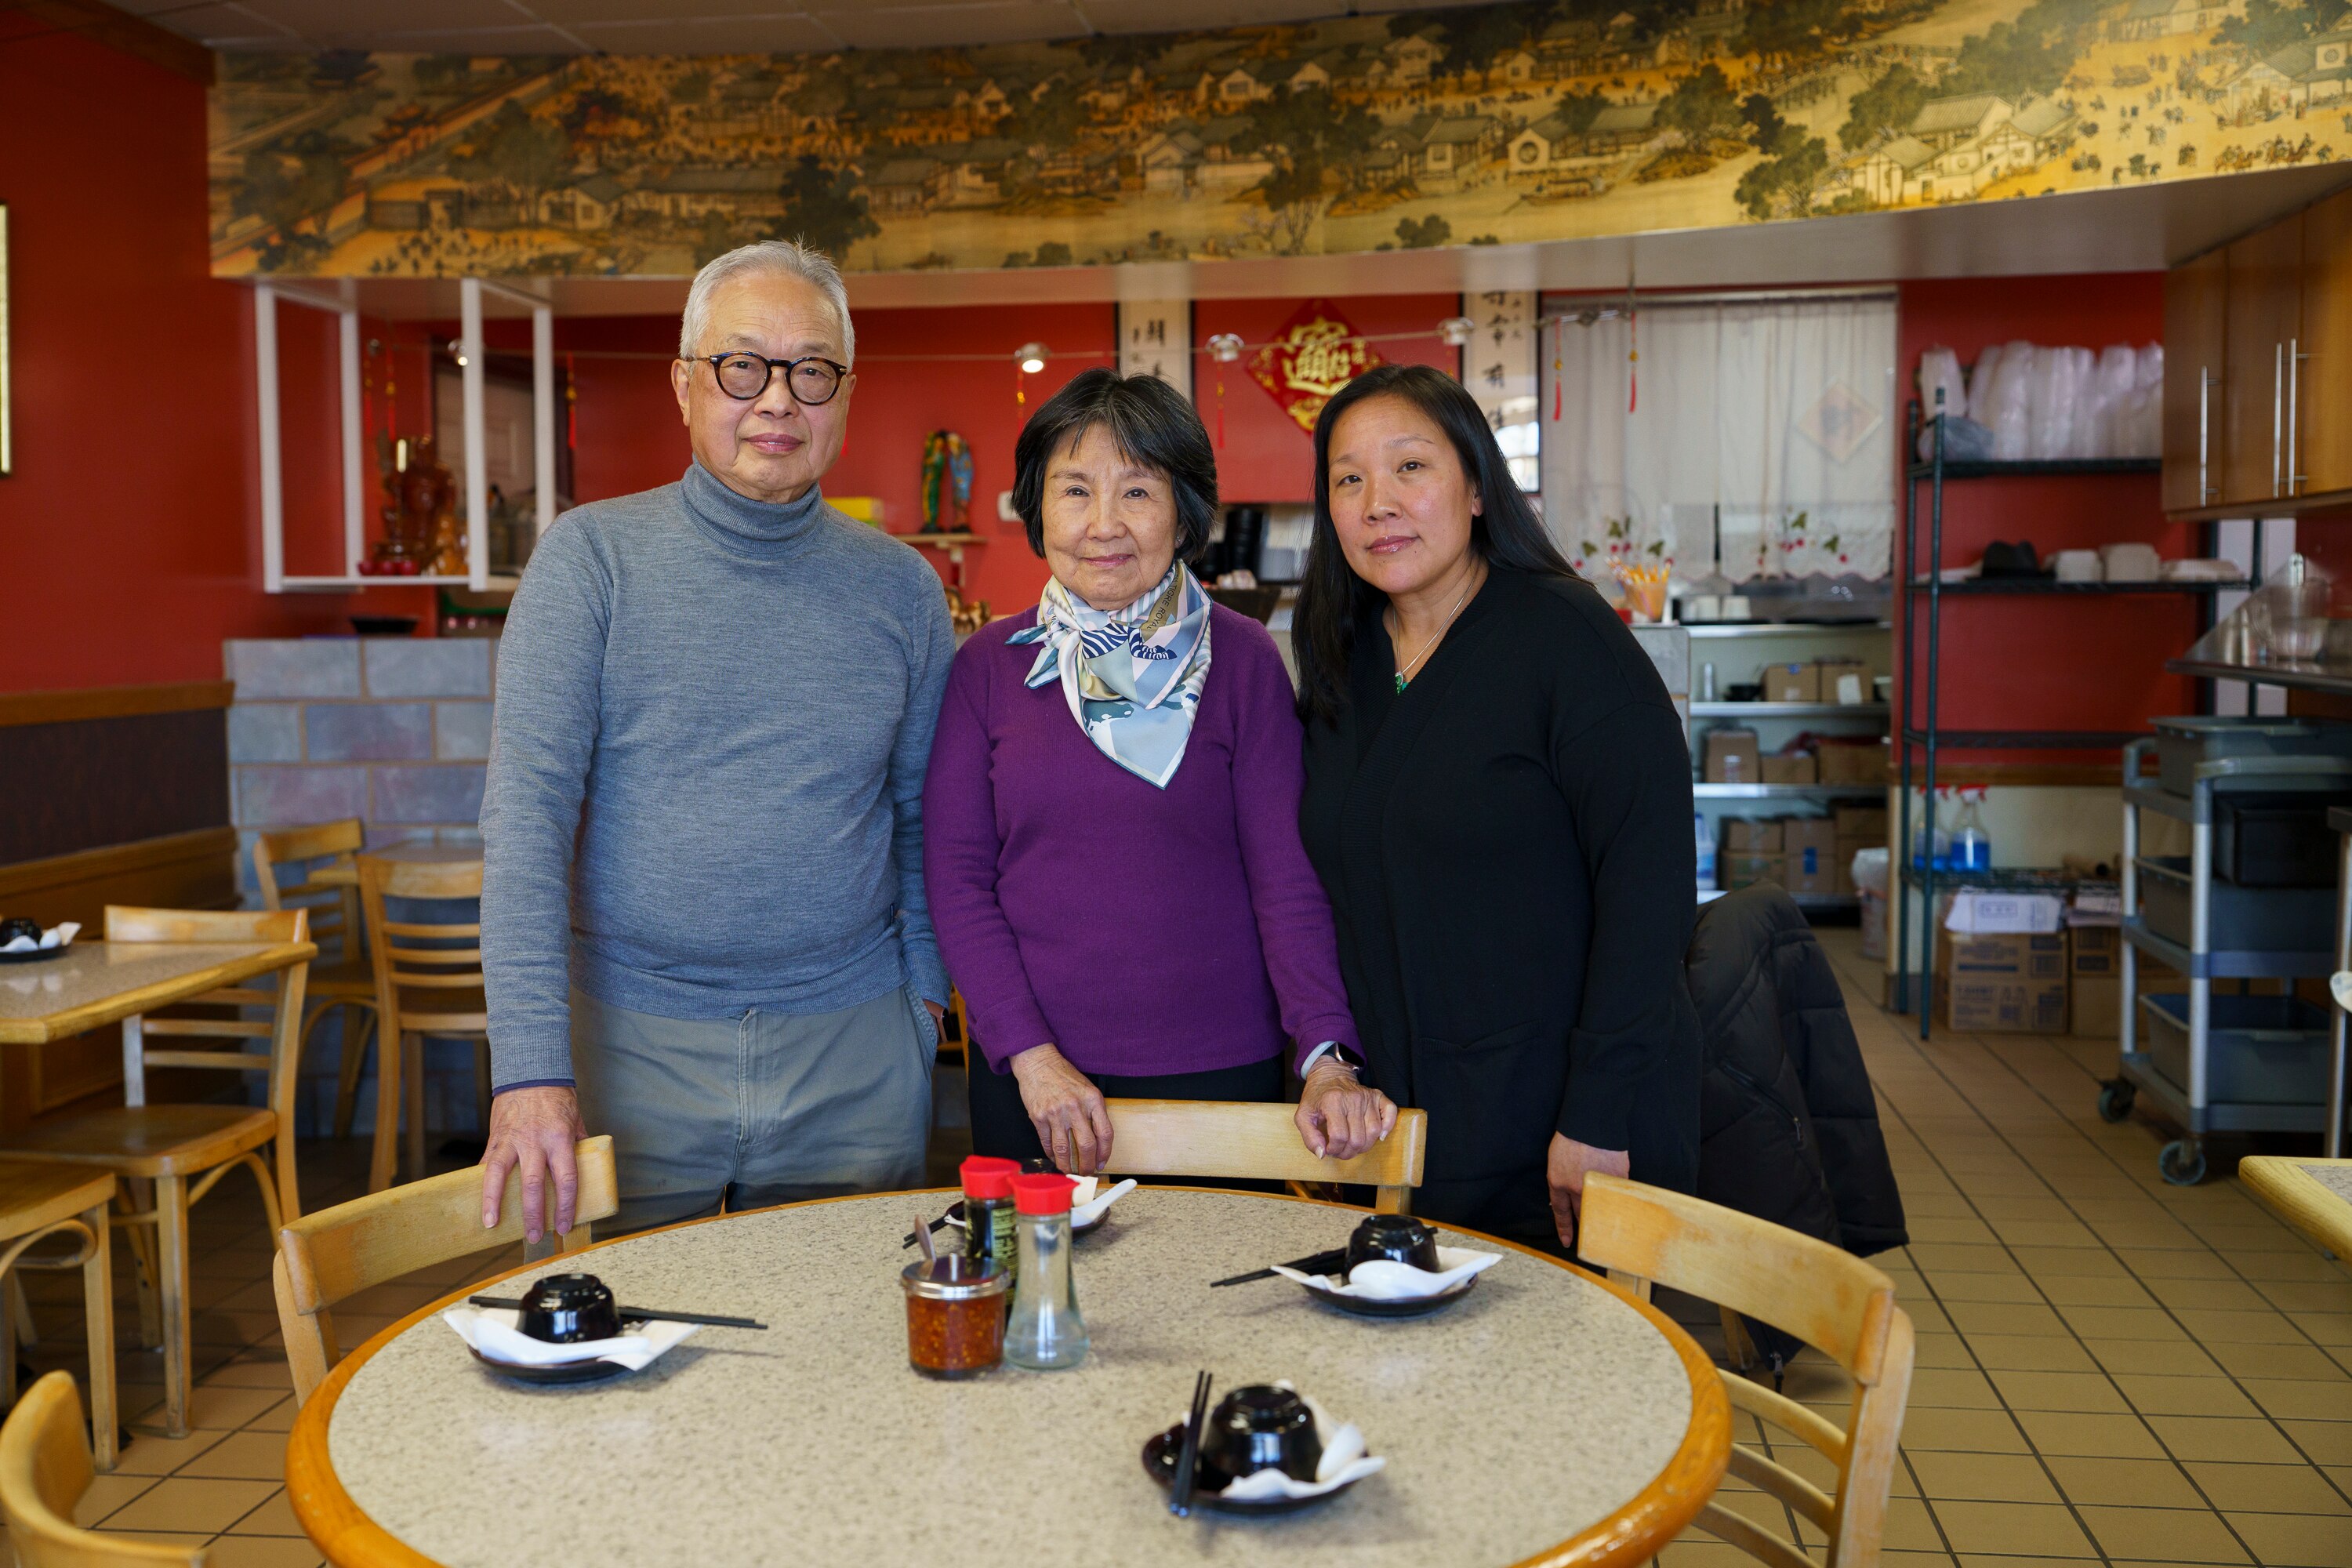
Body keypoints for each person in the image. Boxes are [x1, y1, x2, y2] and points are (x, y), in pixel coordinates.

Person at [478, 241, 953, 1239]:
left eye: (811, 370)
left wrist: (921, 1015)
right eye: (744, 365)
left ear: (845, 396)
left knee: (856, 1363)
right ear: (685, 385)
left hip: (855, 1046)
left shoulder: (904, 588)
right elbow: (525, 822)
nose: (778, 399)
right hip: (624, 1043)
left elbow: (923, 821)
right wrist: (530, 1069)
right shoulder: (590, 560)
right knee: (616, 1360)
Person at [924, 368, 1393, 1174]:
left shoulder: (1242, 660)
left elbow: (1285, 874)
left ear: (1184, 513)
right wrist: (1030, 1056)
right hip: (1036, 1080)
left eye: (1137, 491)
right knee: (1042, 1297)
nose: (1104, 523)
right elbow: (959, 881)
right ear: (1038, 509)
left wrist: (1325, 1050)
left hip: (1219, 1068)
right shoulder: (988, 668)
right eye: (1075, 490)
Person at [1293, 363, 1700, 1254]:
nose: (1377, 502)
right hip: (1407, 1131)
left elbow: (1651, 882)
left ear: (1476, 486)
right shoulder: (1342, 657)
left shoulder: (1565, 636)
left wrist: (1598, 1111)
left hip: (1563, 1126)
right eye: (1348, 479)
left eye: (1410, 467)